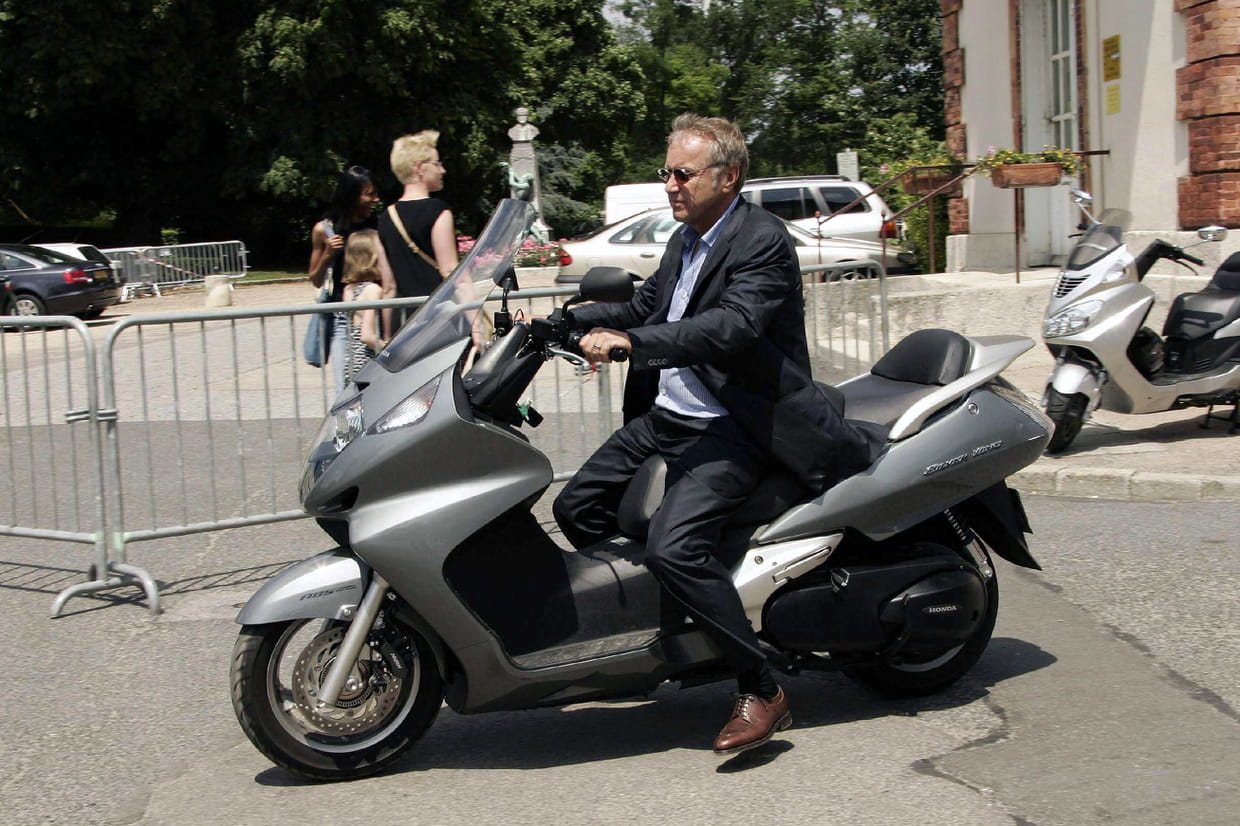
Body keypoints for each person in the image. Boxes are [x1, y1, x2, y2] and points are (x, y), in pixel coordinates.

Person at [553, 114, 880, 756]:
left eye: (683, 173)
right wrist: (563, 321)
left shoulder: (761, 241)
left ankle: (760, 686)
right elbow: (647, 308)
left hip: (733, 426)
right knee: (578, 506)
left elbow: (730, 327)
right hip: (669, 419)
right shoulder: (688, 237)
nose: (670, 184)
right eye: (666, 172)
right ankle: (672, 622)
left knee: (675, 549)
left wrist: (631, 343)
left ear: (727, 177)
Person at [308, 165, 390, 393]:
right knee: (346, 389)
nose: (376, 199)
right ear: (351, 195)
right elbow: (315, 279)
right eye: (370, 194)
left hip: (380, 311)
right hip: (343, 317)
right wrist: (327, 254)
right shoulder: (325, 229)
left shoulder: (380, 225)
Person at [378, 130, 459, 335]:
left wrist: (387, 336)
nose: (443, 170)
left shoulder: (386, 217)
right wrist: (476, 325)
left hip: (402, 321)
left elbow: (388, 286)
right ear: (419, 168)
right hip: (437, 318)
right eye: (437, 164)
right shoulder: (438, 210)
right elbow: (449, 271)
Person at [341, 229, 389, 383]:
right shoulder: (373, 290)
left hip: (351, 362)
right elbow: (367, 335)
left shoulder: (349, 289)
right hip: (367, 361)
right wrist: (390, 350)